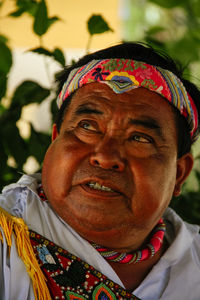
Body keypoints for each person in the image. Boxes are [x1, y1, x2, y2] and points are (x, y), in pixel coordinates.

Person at [0, 42, 200, 300]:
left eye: (139, 138)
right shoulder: (7, 240)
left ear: (179, 172)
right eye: (87, 126)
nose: (106, 157)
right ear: (55, 139)